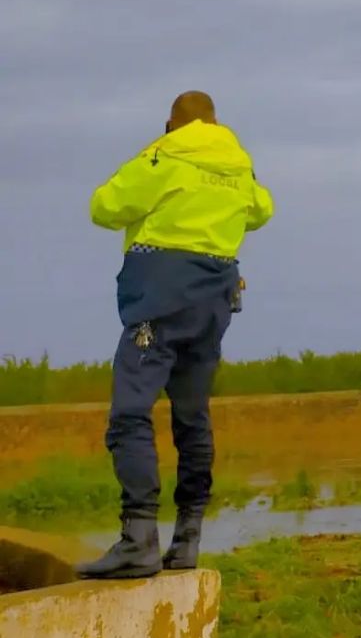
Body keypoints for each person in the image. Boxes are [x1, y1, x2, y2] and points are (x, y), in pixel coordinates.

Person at [76, 92, 273, 579]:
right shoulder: (239, 163)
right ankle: (187, 540)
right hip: (214, 301)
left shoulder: (164, 154)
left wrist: (157, 163)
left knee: (129, 413)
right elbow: (262, 210)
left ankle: (138, 539)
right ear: (215, 121)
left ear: (172, 124)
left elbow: (104, 207)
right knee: (192, 416)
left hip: (160, 298)